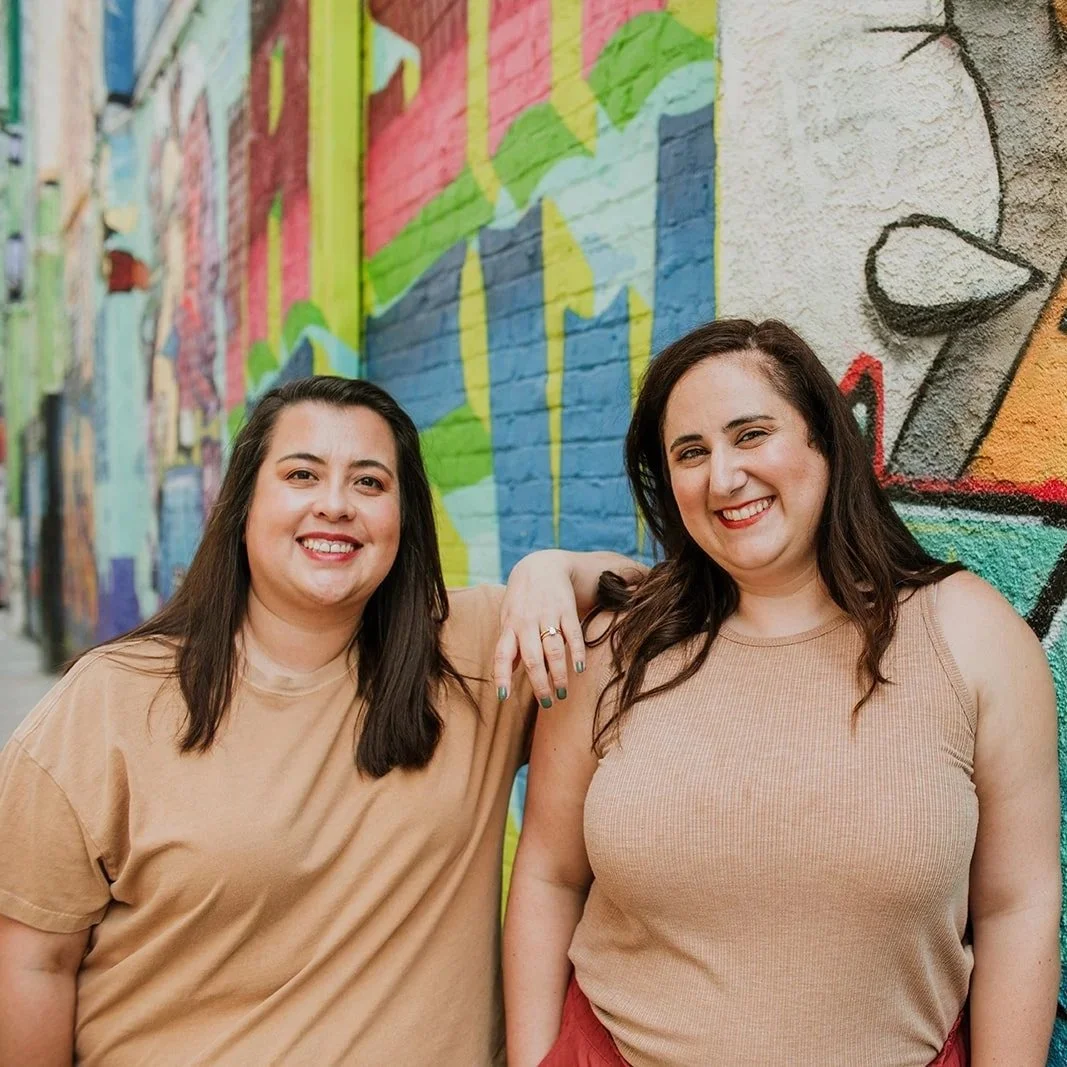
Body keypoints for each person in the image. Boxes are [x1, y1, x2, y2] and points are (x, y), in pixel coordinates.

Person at [0, 375, 633, 1066]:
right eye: (302, 474)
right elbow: (34, 962)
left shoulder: (474, 654)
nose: (335, 505)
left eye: (369, 483)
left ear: (402, 515)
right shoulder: (110, 702)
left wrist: (553, 570)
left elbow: (672, 592)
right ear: (245, 503)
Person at [504, 319, 1060, 1066]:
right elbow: (547, 873)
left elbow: (1015, 904)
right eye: (690, 452)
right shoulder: (614, 650)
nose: (723, 476)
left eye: (751, 434)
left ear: (825, 444)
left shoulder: (972, 636)